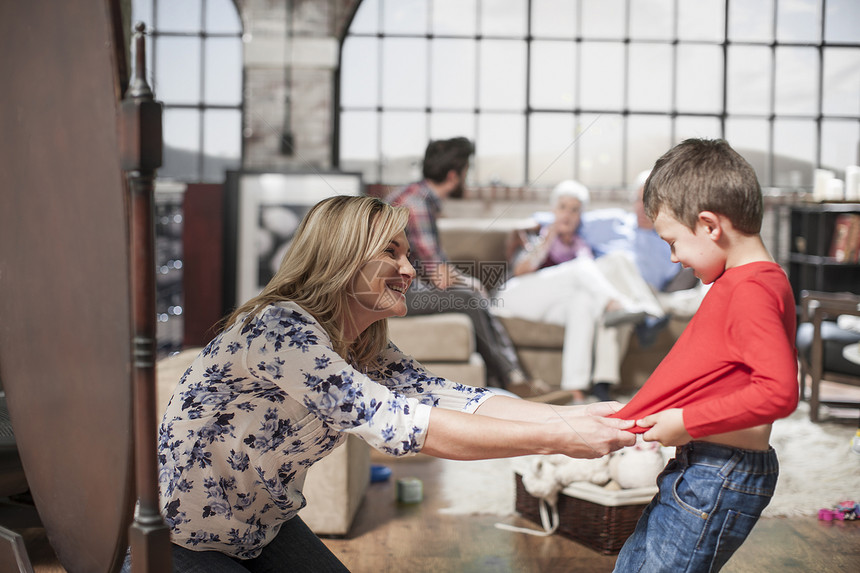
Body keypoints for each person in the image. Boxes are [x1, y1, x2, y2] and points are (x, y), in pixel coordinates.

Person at [122, 195, 635, 572]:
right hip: (179, 542)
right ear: (344, 260)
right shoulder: (280, 330)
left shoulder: (362, 347)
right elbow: (404, 426)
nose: (409, 270)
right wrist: (562, 438)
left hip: (262, 528)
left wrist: (582, 418)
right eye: (392, 252)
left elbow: (455, 398)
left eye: (407, 253)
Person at [608, 138, 799, 572]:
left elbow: (779, 392)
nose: (674, 258)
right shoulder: (744, 282)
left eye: (672, 241)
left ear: (710, 225)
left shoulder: (751, 289)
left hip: (721, 472)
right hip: (705, 466)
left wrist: (686, 421)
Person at [386, 137, 567, 403]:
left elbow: (429, 264)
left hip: (402, 287)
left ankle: (510, 380)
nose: (466, 179)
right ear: (453, 175)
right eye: (466, 172)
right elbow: (440, 275)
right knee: (471, 298)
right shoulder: (417, 204)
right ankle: (512, 379)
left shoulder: (414, 196)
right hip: (396, 293)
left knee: (473, 296)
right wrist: (472, 284)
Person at [494, 180, 664, 403]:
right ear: (553, 210)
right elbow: (521, 269)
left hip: (547, 306)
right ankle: (618, 305)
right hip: (513, 298)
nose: (568, 214)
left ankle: (575, 390)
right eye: (563, 207)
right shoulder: (538, 236)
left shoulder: (580, 245)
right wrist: (549, 236)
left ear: (580, 216)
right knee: (582, 267)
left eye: (574, 210)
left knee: (583, 302)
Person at [580, 170, 708, 401]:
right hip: (615, 294)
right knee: (617, 262)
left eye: (649, 200)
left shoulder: (668, 237)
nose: (642, 206)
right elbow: (559, 218)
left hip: (650, 295)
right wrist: (531, 227)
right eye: (639, 199)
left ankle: (603, 384)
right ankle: (650, 316)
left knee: (620, 315)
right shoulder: (612, 222)